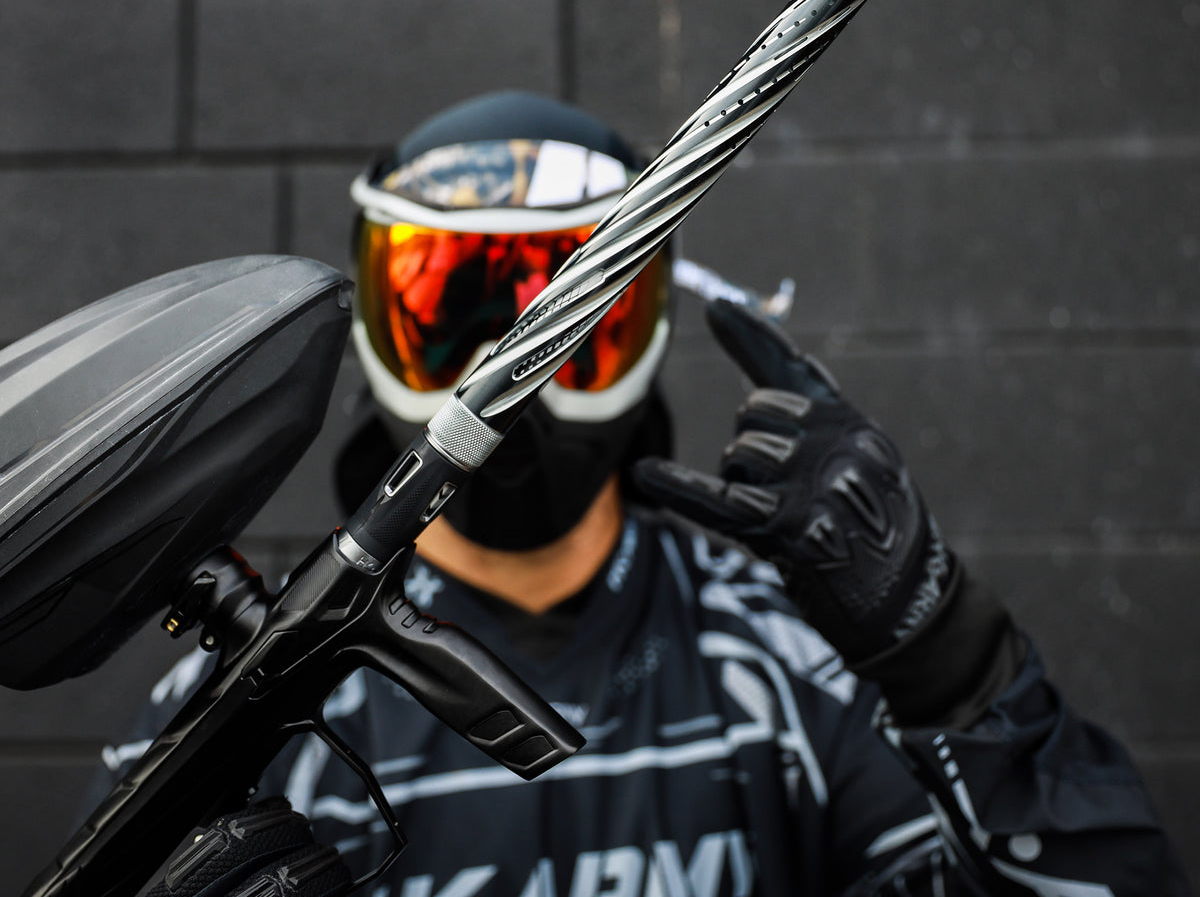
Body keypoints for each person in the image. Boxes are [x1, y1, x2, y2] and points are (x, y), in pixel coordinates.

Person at [112, 91, 1187, 896]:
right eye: (446, 310)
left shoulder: (787, 659)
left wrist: (948, 660)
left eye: (572, 324)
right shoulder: (251, 708)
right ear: (374, 341)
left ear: (648, 328)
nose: (504, 378)